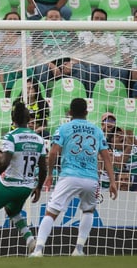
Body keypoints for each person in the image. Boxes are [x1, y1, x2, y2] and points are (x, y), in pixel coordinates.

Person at [30, 98, 118, 257]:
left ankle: (38, 249)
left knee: (51, 213)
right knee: (89, 210)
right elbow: (106, 157)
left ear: (70, 112)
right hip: (91, 178)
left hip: (69, 176)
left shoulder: (64, 128)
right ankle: (78, 249)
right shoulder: (97, 130)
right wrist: (112, 181)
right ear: (86, 112)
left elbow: (53, 152)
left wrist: (50, 174)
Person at [0, 101, 47, 254]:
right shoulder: (39, 139)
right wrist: (39, 187)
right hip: (27, 187)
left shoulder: (11, 137)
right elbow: (43, 168)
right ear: (29, 119)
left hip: (10, 185)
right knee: (12, 211)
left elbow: (4, 163)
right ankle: (30, 240)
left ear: (13, 119)